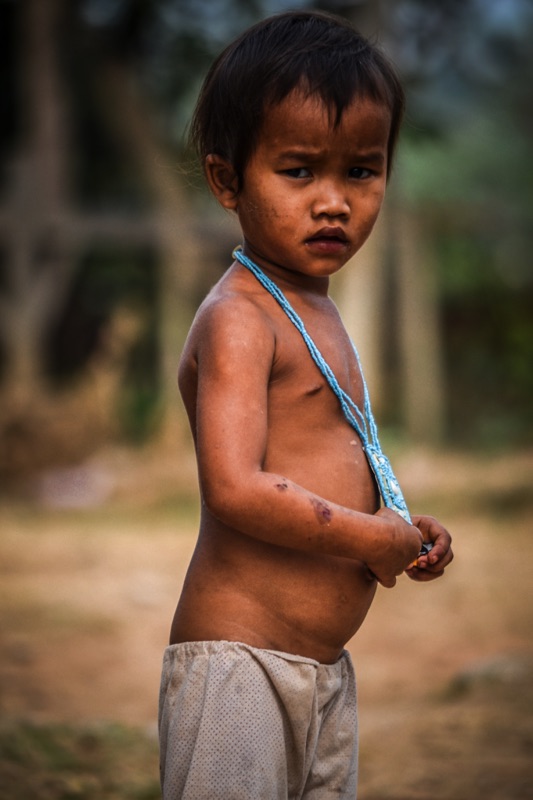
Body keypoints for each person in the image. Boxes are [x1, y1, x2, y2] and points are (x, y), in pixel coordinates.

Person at [158, 10, 453, 799]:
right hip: (239, 670)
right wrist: (369, 538)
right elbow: (235, 487)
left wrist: (399, 523)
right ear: (227, 181)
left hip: (320, 674)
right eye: (298, 171)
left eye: (360, 171)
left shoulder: (313, 307)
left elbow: (322, 455)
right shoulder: (239, 318)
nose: (333, 202)